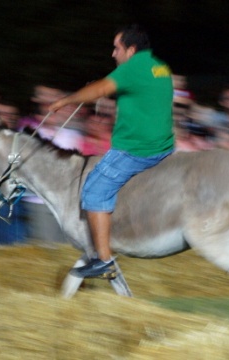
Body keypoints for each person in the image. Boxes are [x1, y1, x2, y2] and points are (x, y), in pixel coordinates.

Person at [49, 24, 175, 278]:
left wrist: (66, 100)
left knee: (93, 190)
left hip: (136, 151)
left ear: (130, 49)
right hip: (164, 148)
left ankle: (103, 259)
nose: (112, 54)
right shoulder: (160, 67)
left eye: (116, 48)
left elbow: (101, 89)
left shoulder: (133, 67)